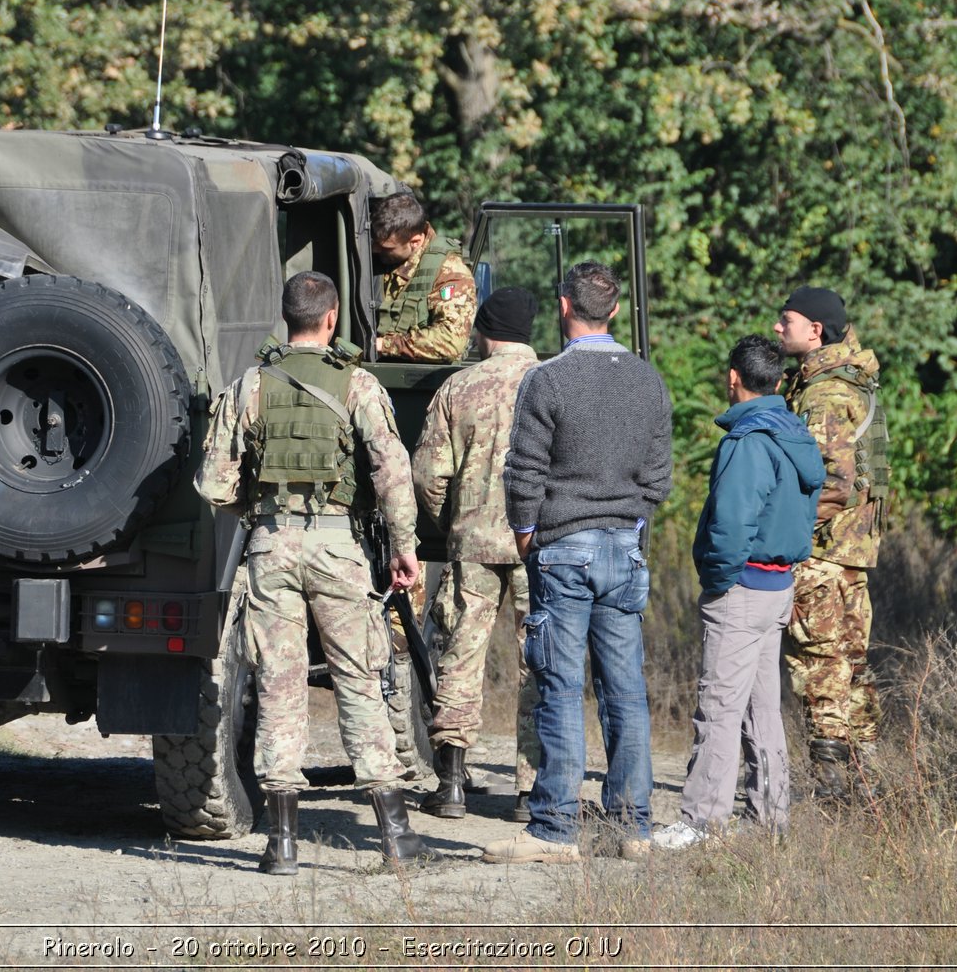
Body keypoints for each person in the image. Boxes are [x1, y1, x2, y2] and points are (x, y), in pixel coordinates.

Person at [194, 271, 431, 875]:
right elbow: (392, 474)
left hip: (270, 549)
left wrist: (261, 502)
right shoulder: (359, 385)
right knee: (358, 678)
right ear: (330, 321)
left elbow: (213, 484)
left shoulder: (249, 386)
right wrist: (404, 548)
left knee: (278, 683)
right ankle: (396, 835)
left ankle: (282, 845)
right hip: (338, 550)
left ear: (286, 319)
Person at [484, 261, 673, 865]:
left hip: (562, 546)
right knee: (625, 689)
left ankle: (555, 830)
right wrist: (631, 522)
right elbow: (659, 476)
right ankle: (633, 827)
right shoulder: (649, 380)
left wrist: (525, 530)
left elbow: (524, 469)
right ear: (613, 310)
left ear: (565, 306)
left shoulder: (547, 380)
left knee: (560, 687)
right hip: (625, 546)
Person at [654, 336, 824, 850]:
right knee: (761, 708)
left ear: (733, 378)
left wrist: (718, 579)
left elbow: (732, 522)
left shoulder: (748, 440)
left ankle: (702, 821)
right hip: (778, 586)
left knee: (719, 708)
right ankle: (771, 818)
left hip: (744, 587)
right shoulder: (797, 432)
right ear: (774, 380)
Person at [411, 288, 543, 821]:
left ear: (485, 331)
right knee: (538, 661)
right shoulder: (552, 382)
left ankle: (451, 785)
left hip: (472, 541)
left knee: (460, 658)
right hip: (539, 544)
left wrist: (453, 518)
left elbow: (427, 473)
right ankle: (532, 792)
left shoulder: (457, 387)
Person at [773, 286, 889, 800]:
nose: (779, 329)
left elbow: (832, 482)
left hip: (821, 552)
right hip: (851, 554)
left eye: (787, 321)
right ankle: (868, 782)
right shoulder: (852, 383)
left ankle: (831, 787)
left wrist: (784, 529)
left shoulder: (823, 396)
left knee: (819, 664)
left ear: (815, 331)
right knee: (850, 664)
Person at [370, 192, 476, 363]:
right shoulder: (379, 258)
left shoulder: (449, 271)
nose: (375, 250)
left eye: (386, 247)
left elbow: (450, 341)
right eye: (374, 243)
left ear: (416, 241)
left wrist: (384, 345)